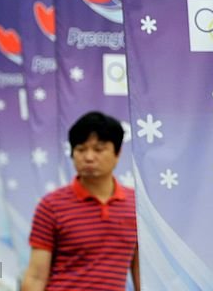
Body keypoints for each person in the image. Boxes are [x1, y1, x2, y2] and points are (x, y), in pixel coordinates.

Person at [21, 111, 139, 291]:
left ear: (117, 153)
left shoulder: (136, 206)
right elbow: (36, 276)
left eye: (99, 149)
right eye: (81, 149)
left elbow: (141, 272)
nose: (89, 157)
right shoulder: (51, 206)